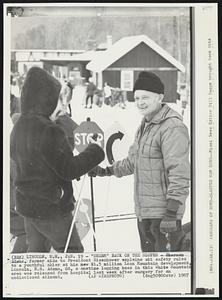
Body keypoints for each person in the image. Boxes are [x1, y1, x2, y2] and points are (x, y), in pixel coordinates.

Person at [89, 71, 190, 252]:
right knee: (149, 271)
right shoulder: (145, 125)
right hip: (145, 214)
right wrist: (106, 171)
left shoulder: (172, 127)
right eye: (136, 98)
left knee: (165, 273)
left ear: (159, 97)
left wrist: (172, 212)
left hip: (164, 216)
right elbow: (133, 161)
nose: (140, 102)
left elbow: (179, 174)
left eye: (145, 97)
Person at [10, 67, 105, 253]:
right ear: (45, 100)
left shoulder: (18, 126)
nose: (61, 106)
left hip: (27, 209)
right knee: (73, 254)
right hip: (52, 209)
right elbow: (69, 170)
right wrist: (95, 151)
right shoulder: (50, 130)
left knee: (37, 257)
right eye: (57, 100)